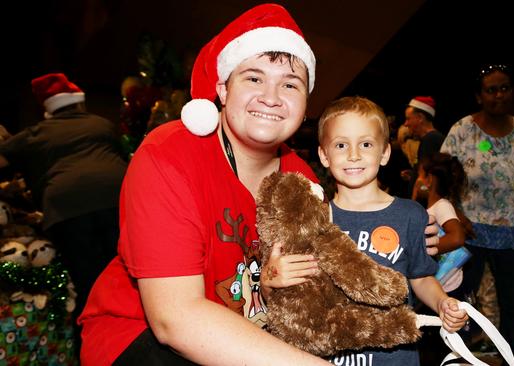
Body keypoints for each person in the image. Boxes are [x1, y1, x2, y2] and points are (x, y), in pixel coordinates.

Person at [78, 4, 331, 365]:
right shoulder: (172, 155)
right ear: (223, 90)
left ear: (305, 103)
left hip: (247, 329)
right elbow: (175, 319)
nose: (272, 97)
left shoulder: (302, 181)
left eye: (290, 84)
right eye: (254, 78)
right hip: (140, 335)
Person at [316, 96, 468, 365]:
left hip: (395, 356)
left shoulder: (410, 215)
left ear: (384, 153)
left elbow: (420, 278)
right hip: (330, 356)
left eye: (365, 144)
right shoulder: (316, 219)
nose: (353, 155)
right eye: (341, 145)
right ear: (324, 155)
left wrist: (443, 302)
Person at [0, 73, 127, 347]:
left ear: (48, 109)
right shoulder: (101, 124)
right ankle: (131, 339)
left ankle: (91, 347)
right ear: (79, 104)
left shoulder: (37, 134)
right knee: (125, 273)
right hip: (116, 201)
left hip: (68, 210)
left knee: (88, 282)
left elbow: (4, 151)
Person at [440, 64, 514, 365]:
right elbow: (441, 177)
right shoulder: (462, 130)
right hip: (471, 233)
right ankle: (456, 359)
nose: (499, 95)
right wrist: (458, 216)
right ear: (479, 96)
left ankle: (513, 360)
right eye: (491, 89)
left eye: (504, 88)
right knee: (461, 303)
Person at [404, 96, 445, 207]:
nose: (405, 124)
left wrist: (413, 205)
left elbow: (426, 182)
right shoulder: (430, 139)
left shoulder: (431, 140)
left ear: (420, 117)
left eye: (408, 119)